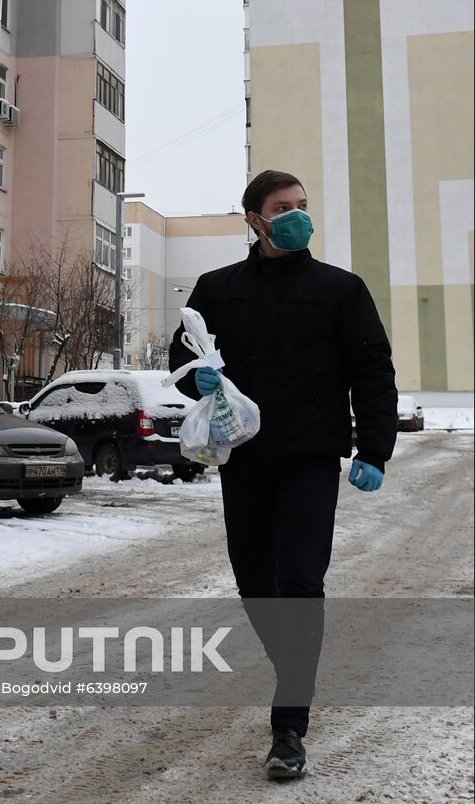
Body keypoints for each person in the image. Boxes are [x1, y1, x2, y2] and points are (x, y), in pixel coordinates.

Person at [168, 169, 397, 780]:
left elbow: (373, 369)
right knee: (254, 583)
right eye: (282, 207)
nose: (297, 215)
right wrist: (199, 378)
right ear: (254, 218)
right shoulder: (216, 289)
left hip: (310, 460)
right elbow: (181, 360)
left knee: (298, 580)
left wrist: (374, 449)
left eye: (302, 205)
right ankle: (295, 668)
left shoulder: (340, 290)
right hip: (243, 458)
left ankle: (288, 726)